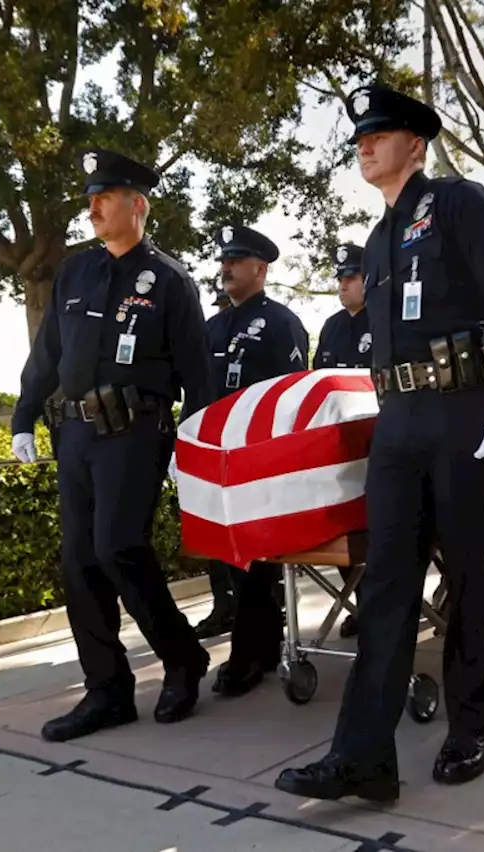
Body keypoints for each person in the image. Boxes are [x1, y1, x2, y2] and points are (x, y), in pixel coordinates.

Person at [275, 84, 484, 801]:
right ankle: (363, 758)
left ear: (414, 144)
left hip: (462, 412)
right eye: (359, 136)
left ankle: (469, 726)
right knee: (386, 585)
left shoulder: (455, 202)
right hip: (400, 422)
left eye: (379, 133)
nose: (363, 143)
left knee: (471, 574)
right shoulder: (380, 237)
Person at [10, 148, 213, 741]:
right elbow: (47, 353)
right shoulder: (75, 272)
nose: (93, 206)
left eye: (105, 197)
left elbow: (197, 376)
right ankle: (107, 690)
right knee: (79, 562)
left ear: (137, 205)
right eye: (90, 198)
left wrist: (191, 448)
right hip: (73, 434)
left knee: (119, 547)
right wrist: (25, 415)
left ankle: (182, 659)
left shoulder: (170, 281)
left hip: (135, 432)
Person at [198, 223, 310, 698]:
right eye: (224, 261)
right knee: (229, 559)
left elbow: (293, 396)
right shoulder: (213, 326)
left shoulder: (281, 323)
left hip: (258, 458)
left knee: (254, 563)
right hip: (216, 458)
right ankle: (261, 648)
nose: (225, 268)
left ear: (260, 270)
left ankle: (248, 655)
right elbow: (198, 393)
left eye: (236, 261)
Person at [313, 242, 373, 638]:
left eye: (350, 278)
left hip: (378, 438)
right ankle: (365, 602)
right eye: (339, 279)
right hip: (340, 445)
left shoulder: (384, 318)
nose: (343, 285)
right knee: (342, 530)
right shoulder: (333, 326)